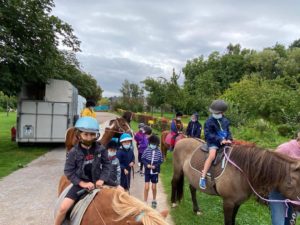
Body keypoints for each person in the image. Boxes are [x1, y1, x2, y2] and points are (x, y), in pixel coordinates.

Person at [54, 117, 110, 225]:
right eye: (86, 134)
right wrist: (82, 183)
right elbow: (68, 171)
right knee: (63, 208)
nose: (89, 138)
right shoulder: (73, 152)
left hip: (98, 181)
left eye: (92, 134)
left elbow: (107, 164)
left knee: (122, 192)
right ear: (79, 135)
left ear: (96, 135)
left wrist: (102, 179)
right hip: (80, 183)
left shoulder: (101, 149)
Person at [200, 100, 232, 189]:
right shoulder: (209, 121)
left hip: (225, 141)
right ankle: (203, 176)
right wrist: (220, 139)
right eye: (213, 112)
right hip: (213, 142)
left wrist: (229, 139)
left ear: (222, 112)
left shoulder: (225, 121)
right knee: (212, 155)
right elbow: (208, 134)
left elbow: (228, 131)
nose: (214, 114)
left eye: (217, 112)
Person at [269, 132, 300, 225]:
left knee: (290, 222)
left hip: (296, 196)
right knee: (278, 223)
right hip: (279, 193)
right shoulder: (285, 148)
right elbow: (270, 168)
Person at [141, 134, 163, 209]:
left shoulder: (159, 151)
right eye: (151, 144)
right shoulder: (147, 150)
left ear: (157, 144)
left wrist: (155, 166)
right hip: (147, 171)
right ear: (149, 143)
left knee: (154, 187)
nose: (153, 145)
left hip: (155, 172)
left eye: (154, 144)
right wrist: (147, 165)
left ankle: (154, 200)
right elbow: (142, 158)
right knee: (146, 187)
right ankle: (145, 201)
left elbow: (161, 160)